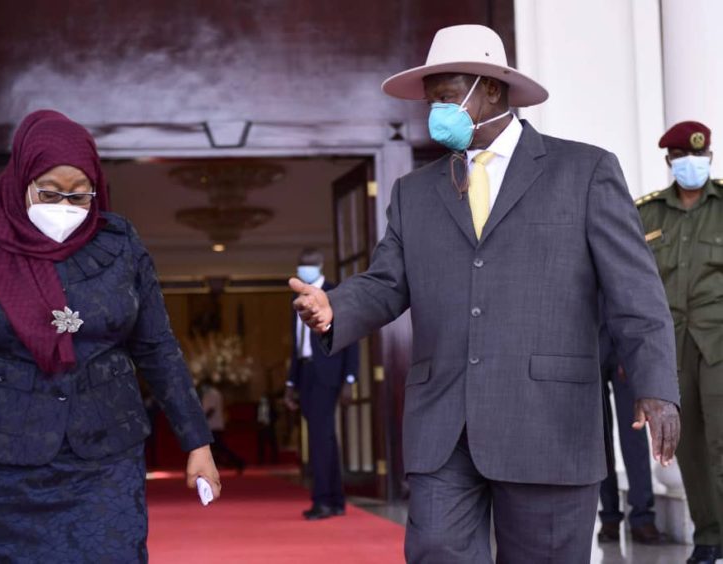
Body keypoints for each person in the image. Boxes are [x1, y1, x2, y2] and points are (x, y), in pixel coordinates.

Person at [290, 25, 680, 563]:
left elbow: (635, 292)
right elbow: (386, 282)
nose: (436, 113)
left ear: (490, 90)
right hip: (444, 425)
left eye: (447, 97)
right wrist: (337, 307)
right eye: (432, 102)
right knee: (435, 549)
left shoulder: (584, 171)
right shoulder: (413, 193)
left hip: (548, 421)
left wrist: (656, 385)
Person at [0, 110, 221, 563]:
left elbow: (157, 347)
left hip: (106, 458)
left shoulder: (119, 243)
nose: (65, 206)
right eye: (50, 192)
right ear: (22, 179)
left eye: (79, 195)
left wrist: (196, 441)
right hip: (0, 465)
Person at [635, 120, 722, 564]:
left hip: (720, 341)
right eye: (686, 159)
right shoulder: (646, 214)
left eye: (702, 157)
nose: (695, 165)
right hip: (670, 348)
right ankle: (708, 538)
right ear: (670, 162)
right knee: (685, 445)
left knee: (722, 441)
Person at [284, 247, 358, 520]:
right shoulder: (296, 300)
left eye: (310, 264)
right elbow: (297, 346)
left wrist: (350, 379)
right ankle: (335, 500)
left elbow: (351, 338)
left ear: (321, 264)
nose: (305, 268)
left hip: (328, 374)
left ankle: (323, 501)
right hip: (305, 374)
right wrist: (290, 383)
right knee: (324, 438)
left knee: (319, 439)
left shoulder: (334, 293)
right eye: (302, 264)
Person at [597, 325, 667, 545]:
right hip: (586, 341)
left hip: (624, 342)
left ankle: (642, 516)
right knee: (598, 439)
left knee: (634, 435)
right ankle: (609, 517)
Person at [199, 381, 246, 473]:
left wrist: (202, 421)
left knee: (219, 448)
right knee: (216, 448)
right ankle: (233, 463)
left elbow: (210, 410)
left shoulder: (212, 394)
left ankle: (238, 462)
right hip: (212, 425)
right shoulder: (209, 394)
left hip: (213, 426)